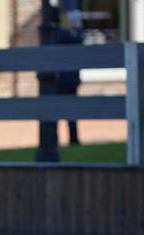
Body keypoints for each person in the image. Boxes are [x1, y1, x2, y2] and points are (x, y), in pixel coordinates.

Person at [55, 9, 84, 145]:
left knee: (58, 112)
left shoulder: (59, 33)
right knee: (69, 112)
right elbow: (78, 39)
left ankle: (67, 139)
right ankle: (73, 139)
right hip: (64, 80)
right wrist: (74, 29)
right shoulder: (63, 34)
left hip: (62, 80)